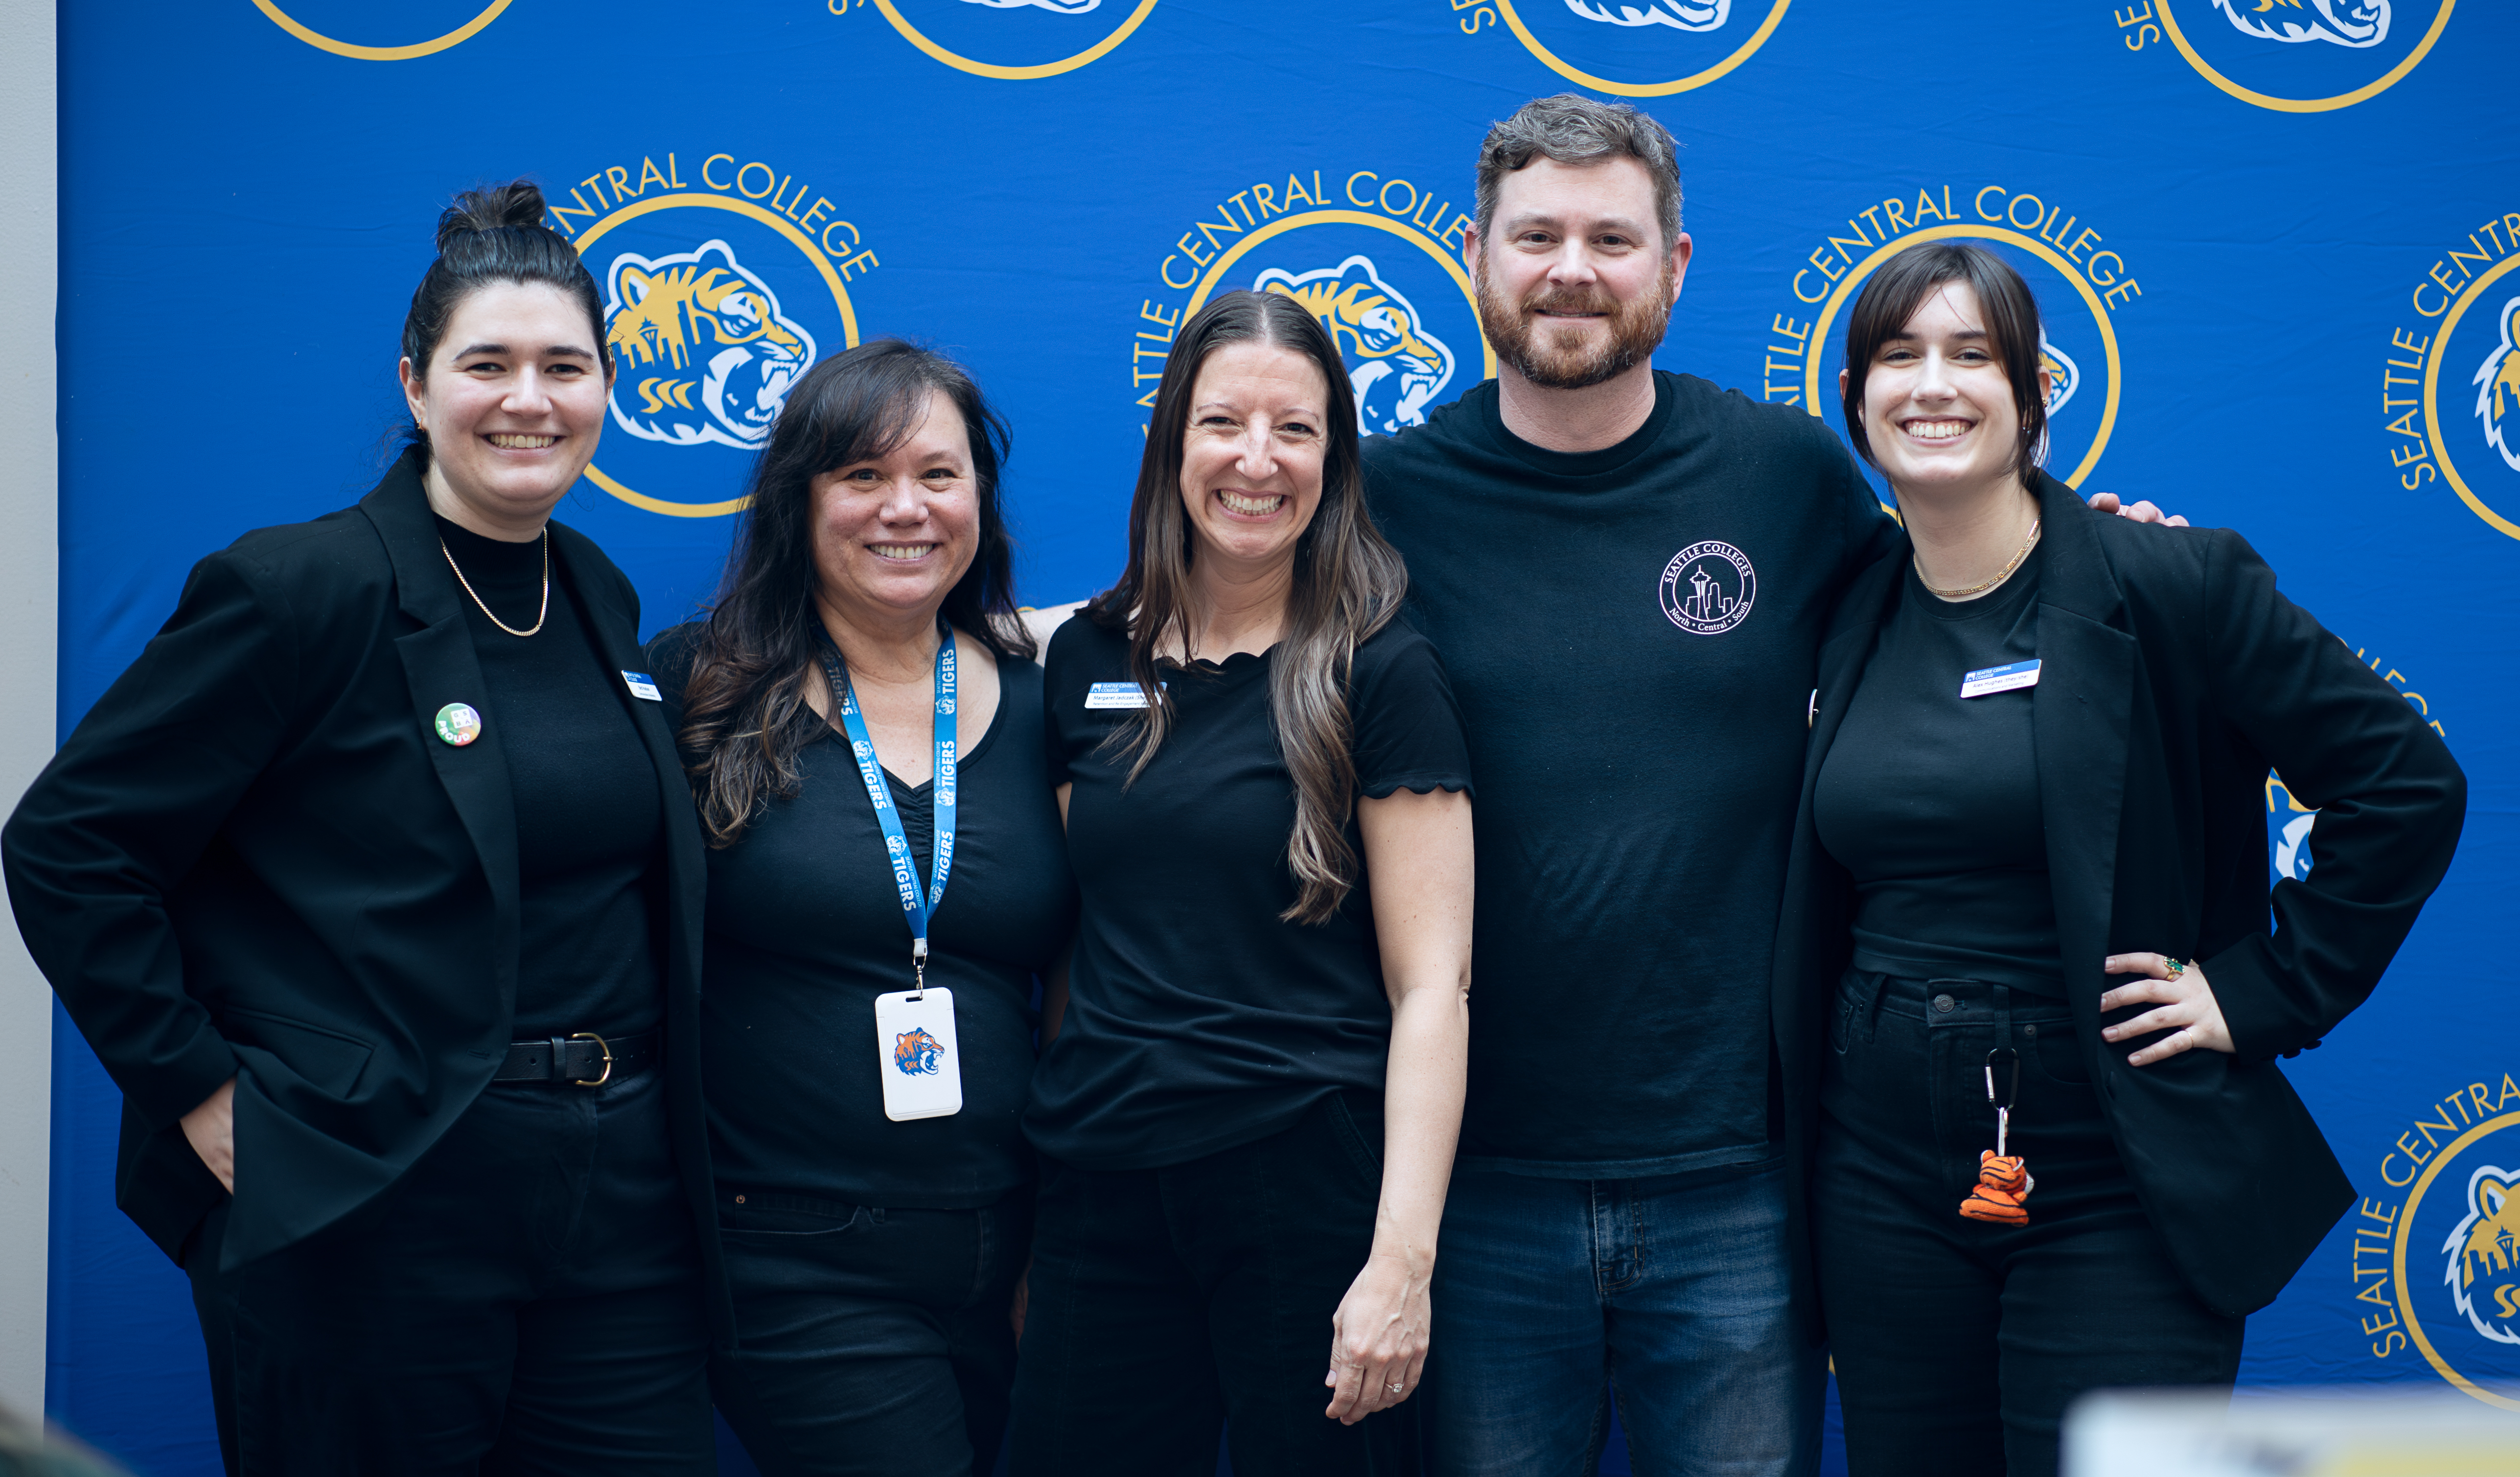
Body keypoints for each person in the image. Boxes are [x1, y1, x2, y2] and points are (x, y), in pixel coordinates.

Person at [1353, 95, 2183, 1477]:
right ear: (1477, 257)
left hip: (1737, 1178)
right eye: (1537, 234)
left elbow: (1959, 585)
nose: (1572, 267)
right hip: (1471, 1178)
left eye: (1611, 238)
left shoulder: (1782, 476)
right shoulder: (1379, 501)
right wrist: (953, 637)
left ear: (1673, 266)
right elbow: (1198, 618)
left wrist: (2108, 561)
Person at [1, 183, 721, 1474]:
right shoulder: (298, 590)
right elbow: (71, 844)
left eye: (565, 365)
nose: (527, 400)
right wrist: (201, 1093)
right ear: (414, 383)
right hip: (373, 1193)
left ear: (608, 388)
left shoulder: (597, 592)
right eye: (485, 365)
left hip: (614, 1208)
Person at [1776, 241, 2464, 1476]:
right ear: (1857, 399)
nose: (1932, 385)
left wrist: (2253, 990)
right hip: (1879, 1174)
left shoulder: (2168, 582)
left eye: (1970, 355)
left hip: (2116, 1168)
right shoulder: (1842, 604)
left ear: (2033, 398)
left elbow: (2406, 787)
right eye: (1897, 356)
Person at [1006, 289, 1476, 1477]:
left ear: (1336, 457)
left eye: (1295, 431)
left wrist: (1399, 1266)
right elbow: (1085, 940)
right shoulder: (1084, 659)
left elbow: (1435, 989)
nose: (1255, 462)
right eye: (1222, 424)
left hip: (1304, 1190)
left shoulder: (1383, 666)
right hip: (1103, 1184)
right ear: (1172, 441)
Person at [642, 341, 1073, 1477]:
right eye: (862, 477)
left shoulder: (1045, 700)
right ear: (800, 500)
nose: (906, 510)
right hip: (795, 1254)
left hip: (1017, 1245)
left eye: (939, 475)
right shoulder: (700, 690)